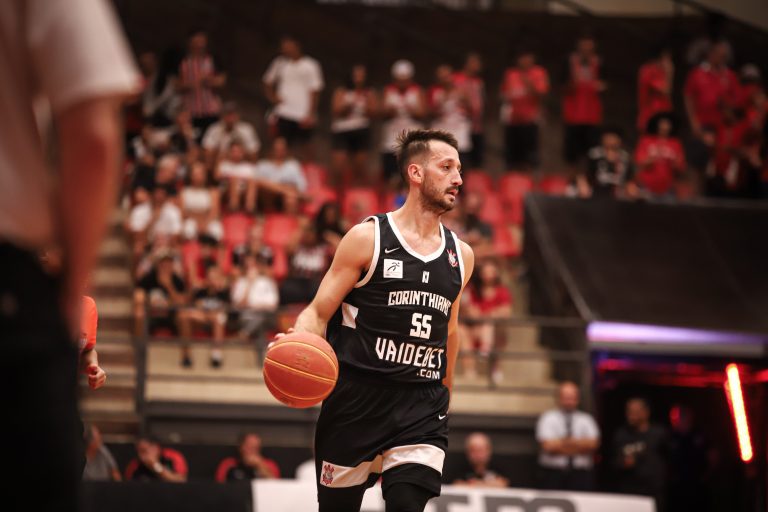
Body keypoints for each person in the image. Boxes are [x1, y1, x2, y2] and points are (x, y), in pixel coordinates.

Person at [275, 129, 474, 512]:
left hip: (421, 404)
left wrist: (445, 394)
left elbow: (450, 331)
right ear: (415, 173)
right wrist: (299, 340)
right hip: (356, 398)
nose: (458, 179)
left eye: (460, 169)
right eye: (447, 167)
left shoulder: (461, 255)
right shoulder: (367, 238)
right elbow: (318, 311)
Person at [0, 1, 139, 510]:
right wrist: (68, 287)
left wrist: (92, 366)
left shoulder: (90, 312)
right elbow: (94, 134)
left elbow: (89, 355)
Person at [263, 35, 324, 157]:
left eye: (288, 46)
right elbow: (267, 82)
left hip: (302, 114)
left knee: (305, 147)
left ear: (297, 46)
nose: (285, 49)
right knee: (280, 144)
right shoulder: (279, 63)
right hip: (283, 112)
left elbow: (315, 90)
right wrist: (273, 97)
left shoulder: (310, 65)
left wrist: (311, 113)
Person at [684, 41, 739, 173]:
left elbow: (736, 101)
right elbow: (689, 97)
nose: (722, 58)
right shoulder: (698, 73)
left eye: (724, 56)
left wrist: (728, 109)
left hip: (721, 127)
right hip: (702, 125)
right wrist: (694, 122)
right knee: (697, 163)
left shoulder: (729, 76)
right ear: (711, 54)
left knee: (718, 165)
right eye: (719, 55)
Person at [536, 382, 600, 491]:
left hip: (580, 475)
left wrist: (561, 443)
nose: (569, 401)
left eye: (572, 397)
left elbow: (593, 445)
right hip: (553, 474)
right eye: (566, 397)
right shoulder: (548, 418)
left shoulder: (586, 419)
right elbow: (548, 446)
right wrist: (579, 445)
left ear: (578, 399)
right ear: (558, 398)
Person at [612, 398, 669, 512]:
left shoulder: (659, 433)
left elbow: (669, 458)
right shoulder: (621, 434)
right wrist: (623, 463)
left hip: (653, 490)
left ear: (646, 412)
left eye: (635, 412)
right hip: (630, 490)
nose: (631, 415)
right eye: (629, 411)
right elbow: (613, 461)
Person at [462, 260, 513, 383]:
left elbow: (506, 311)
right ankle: (470, 369)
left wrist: (487, 315)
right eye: (485, 272)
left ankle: (488, 355)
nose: (488, 276)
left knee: (488, 325)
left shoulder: (502, 291)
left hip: (493, 330)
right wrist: (480, 316)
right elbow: (468, 308)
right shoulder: (473, 290)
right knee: (461, 330)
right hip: (474, 327)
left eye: (491, 272)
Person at [500, 49, 550, 170]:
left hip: (531, 120)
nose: (525, 61)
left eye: (527, 57)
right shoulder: (511, 74)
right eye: (522, 58)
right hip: (513, 120)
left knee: (530, 156)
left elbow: (541, 93)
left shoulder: (539, 73)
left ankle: (530, 179)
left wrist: (527, 81)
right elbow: (504, 93)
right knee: (512, 156)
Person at [380, 60, 426, 184]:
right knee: (391, 177)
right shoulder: (388, 91)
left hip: (412, 141)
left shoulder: (417, 91)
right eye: (399, 80)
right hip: (391, 140)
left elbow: (424, 112)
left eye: (405, 80)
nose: (402, 83)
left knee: (412, 176)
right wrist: (389, 111)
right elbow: (381, 112)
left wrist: (412, 110)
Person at [562, 34, 606, 167]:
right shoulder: (569, 62)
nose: (586, 50)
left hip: (592, 116)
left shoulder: (599, 62)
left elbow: (607, 83)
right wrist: (573, 81)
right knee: (572, 155)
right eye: (583, 46)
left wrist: (600, 86)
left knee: (592, 153)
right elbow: (562, 85)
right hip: (573, 115)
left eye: (589, 47)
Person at [331, 65, 377, 186]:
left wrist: (366, 106)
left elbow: (374, 111)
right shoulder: (342, 91)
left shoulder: (369, 92)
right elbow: (335, 110)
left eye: (361, 76)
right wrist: (347, 106)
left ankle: (357, 190)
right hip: (342, 129)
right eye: (356, 75)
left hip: (361, 129)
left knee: (359, 165)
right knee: (339, 164)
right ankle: (337, 189)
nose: (359, 78)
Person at [178, 265, 230, 368]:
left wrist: (206, 314)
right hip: (201, 320)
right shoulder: (201, 292)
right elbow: (194, 307)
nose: (212, 280)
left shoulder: (224, 293)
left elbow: (223, 311)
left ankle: (216, 355)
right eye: (210, 277)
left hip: (216, 322)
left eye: (215, 277)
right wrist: (193, 288)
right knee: (183, 316)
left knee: (219, 318)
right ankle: (186, 356)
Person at [178, 29, 226, 135]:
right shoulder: (183, 61)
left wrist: (209, 80)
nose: (200, 45)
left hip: (211, 110)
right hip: (190, 111)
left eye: (202, 42)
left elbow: (222, 81)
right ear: (190, 43)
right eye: (196, 42)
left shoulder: (212, 59)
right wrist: (190, 84)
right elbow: (176, 85)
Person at [634, 113, 686, 199]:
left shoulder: (676, 143)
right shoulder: (646, 140)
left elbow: (680, 166)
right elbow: (639, 162)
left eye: (667, 123)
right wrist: (654, 157)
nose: (664, 126)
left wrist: (673, 162)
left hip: (668, 187)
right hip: (646, 186)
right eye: (662, 123)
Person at [429, 65, 472, 162]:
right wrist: (439, 105)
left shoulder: (461, 91)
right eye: (441, 77)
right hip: (442, 129)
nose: (445, 80)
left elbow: (470, 109)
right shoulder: (435, 92)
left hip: (459, 130)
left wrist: (464, 104)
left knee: (461, 158)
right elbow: (429, 112)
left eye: (446, 76)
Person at [578, 127, 636, 199]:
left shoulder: (625, 158)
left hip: (618, 195)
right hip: (595, 193)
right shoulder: (594, 155)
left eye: (613, 137)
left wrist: (631, 188)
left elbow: (629, 179)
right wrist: (582, 185)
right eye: (608, 137)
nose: (610, 140)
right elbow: (582, 174)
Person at [254, 137, 307, 213]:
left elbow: (301, 186)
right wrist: (284, 188)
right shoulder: (263, 165)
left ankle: (288, 220)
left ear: (286, 150)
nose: (279, 152)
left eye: (281, 149)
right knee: (265, 189)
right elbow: (258, 183)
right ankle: (267, 217)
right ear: (271, 150)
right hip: (267, 197)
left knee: (291, 197)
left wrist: (284, 189)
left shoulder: (293, 165)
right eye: (276, 149)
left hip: (287, 196)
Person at [453, 53, 485, 168]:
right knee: (463, 156)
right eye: (474, 62)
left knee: (477, 158)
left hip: (476, 124)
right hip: (461, 124)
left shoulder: (478, 81)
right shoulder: (456, 79)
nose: (477, 65)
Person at [181, 161, 223, 241]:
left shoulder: (213, 192)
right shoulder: (184, 192)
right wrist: (197, 221)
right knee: (188, 228)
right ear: (190, 176)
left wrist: (204, 223)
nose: (198, 176)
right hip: (191, 221)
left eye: (200, 173)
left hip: (209, 221)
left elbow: (214, 212)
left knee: (216, 230)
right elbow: (183, 212)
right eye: (195, 174)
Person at [215, 433, 281, 482]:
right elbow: (219, 487)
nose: (252, 451)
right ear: (240, 447)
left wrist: (260, 466)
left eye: (256, 448)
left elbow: (276, 487)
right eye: (249, 447)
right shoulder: (228, 464)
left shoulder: (269, 465)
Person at [637, 47, 674, 133]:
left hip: (661, 116)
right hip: (652, 117)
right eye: (668, 59)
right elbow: (666, 90)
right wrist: (670, 72)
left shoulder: (657, 71)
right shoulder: (649, 70)